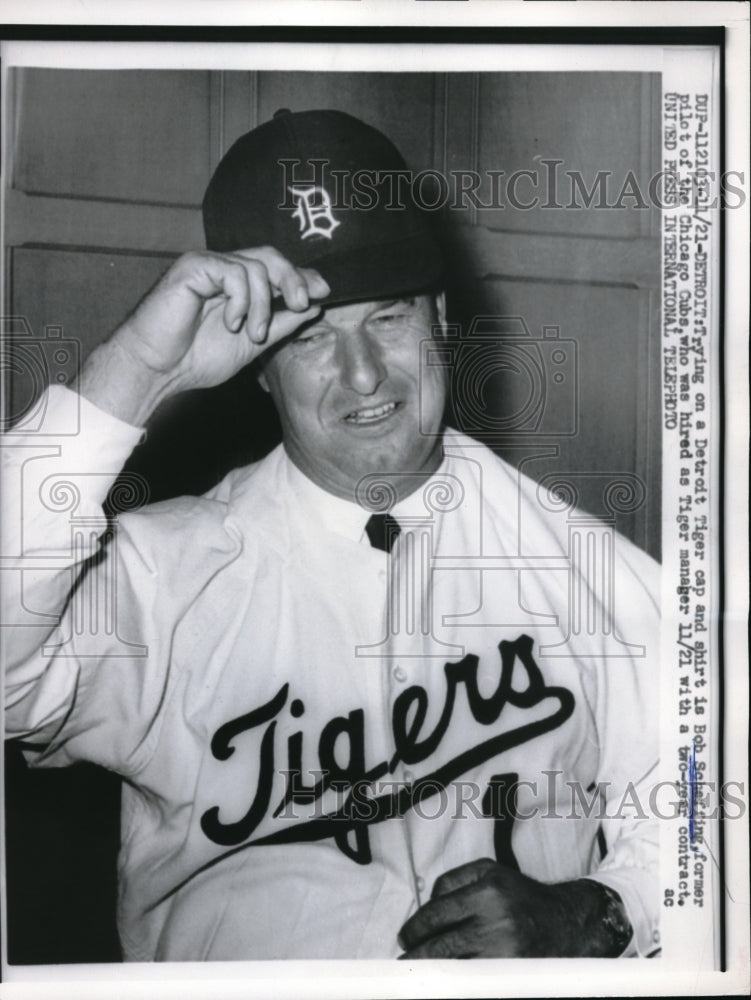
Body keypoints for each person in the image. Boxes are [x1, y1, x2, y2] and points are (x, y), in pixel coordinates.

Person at [3, 109, 659, 962]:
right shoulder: (165, 575)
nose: (362, 376)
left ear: (442, 321)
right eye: (312, 336)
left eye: (386, 318)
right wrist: (135, 370)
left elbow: (704, 821)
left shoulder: (589, 569)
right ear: (258, 371)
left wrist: (597, 912)